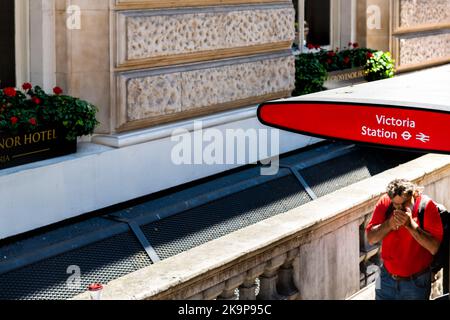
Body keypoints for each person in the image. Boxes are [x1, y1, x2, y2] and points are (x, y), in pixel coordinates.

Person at [366, 179, 443, 300]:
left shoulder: (426, 206)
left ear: (414, 195)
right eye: (395, 205)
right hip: (385, 278)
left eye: (404, 203)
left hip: (416, 283)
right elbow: (371, 238)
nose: (400, 209)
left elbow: (434, 247)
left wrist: (410, 225)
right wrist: (389, 224)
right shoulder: (385, 202)